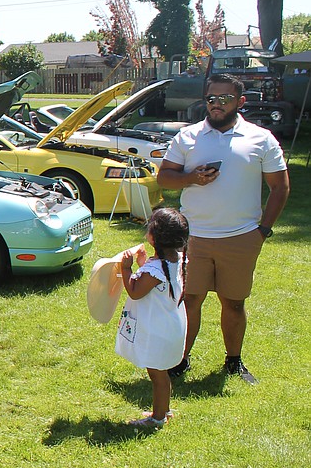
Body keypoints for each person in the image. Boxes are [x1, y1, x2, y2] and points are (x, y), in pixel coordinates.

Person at [156, 73, 290, 384]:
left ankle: (233, 361)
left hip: (241, 237)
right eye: (211, 99)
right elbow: (165, 177)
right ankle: (180, 360)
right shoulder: (187, 137)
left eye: (224, 99)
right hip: (194, 238)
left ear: (240, 102)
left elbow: (280, 187)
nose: (216, 104)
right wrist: (192, 178)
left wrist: (263, 230)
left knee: (234, 302)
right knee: (189, 300)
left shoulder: (261, 138)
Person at [116, 208, 189, 429]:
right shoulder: (177, 259)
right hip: (170, 327)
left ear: (153, 237)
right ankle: (163, 411)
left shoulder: (156, 269)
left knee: (158, 376)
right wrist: (143, 264)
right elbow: (156, 282)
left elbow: (136, 291)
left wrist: (126, 269)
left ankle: (157, 419)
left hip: (159, 331)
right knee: (162, 374)